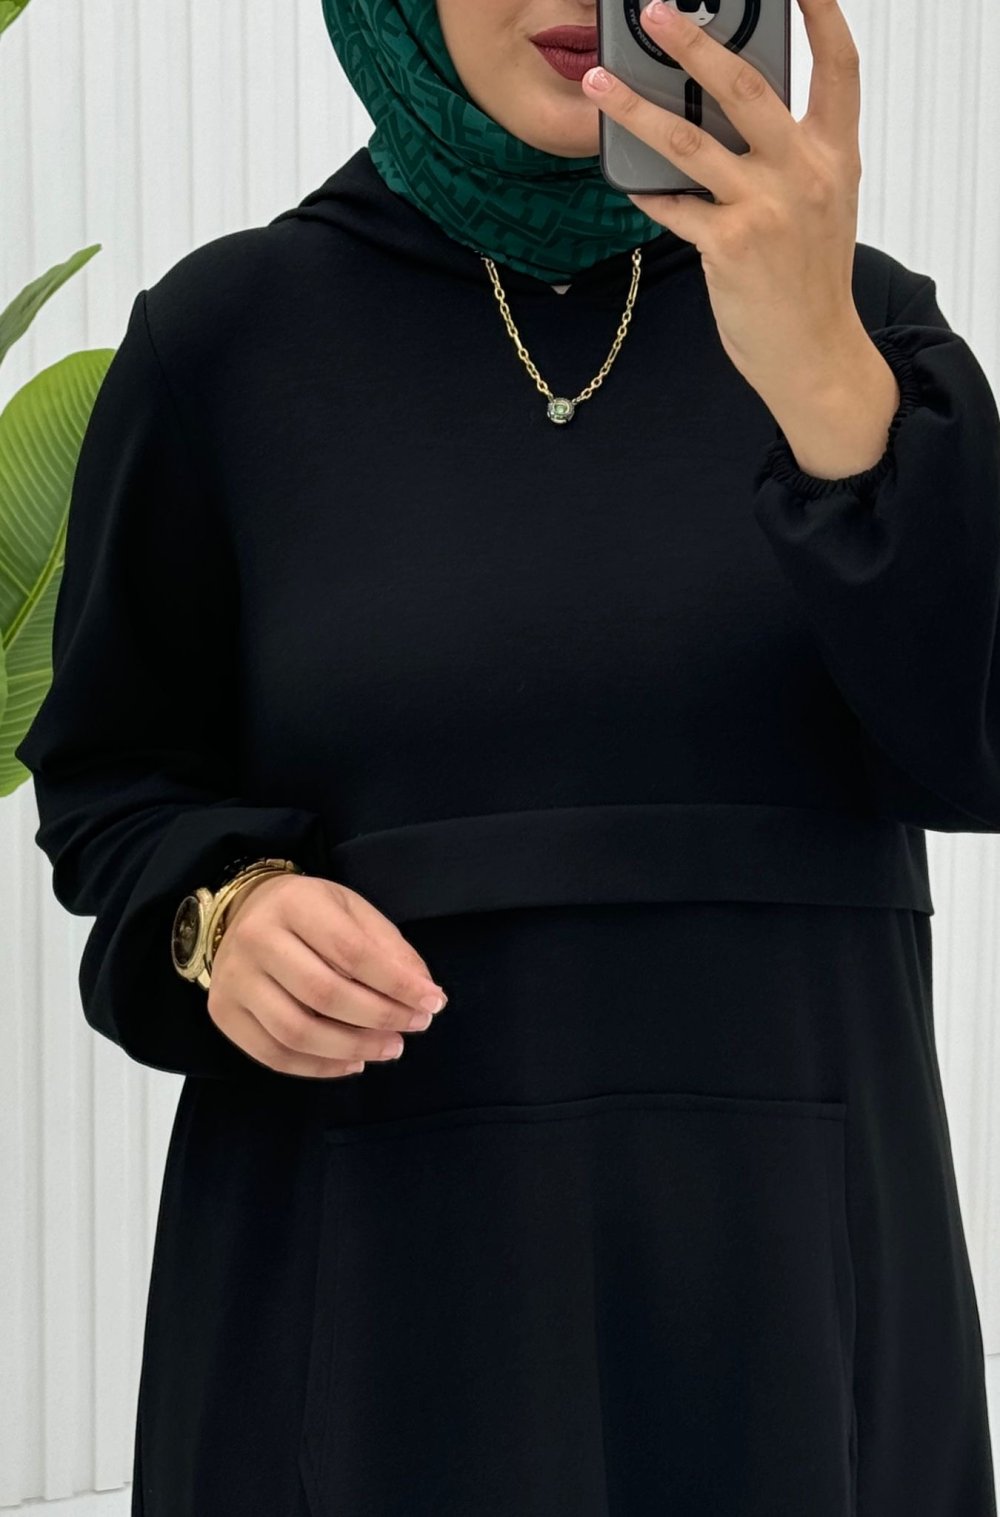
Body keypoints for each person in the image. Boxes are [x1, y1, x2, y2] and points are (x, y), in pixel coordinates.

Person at [14, 0, 1000, 1512]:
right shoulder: (226, 338)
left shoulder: (864, 328)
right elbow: (113, 779)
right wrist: (229, 911)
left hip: (792, 1293)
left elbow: (974, 746)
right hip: (364, 1288)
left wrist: (826, 380)